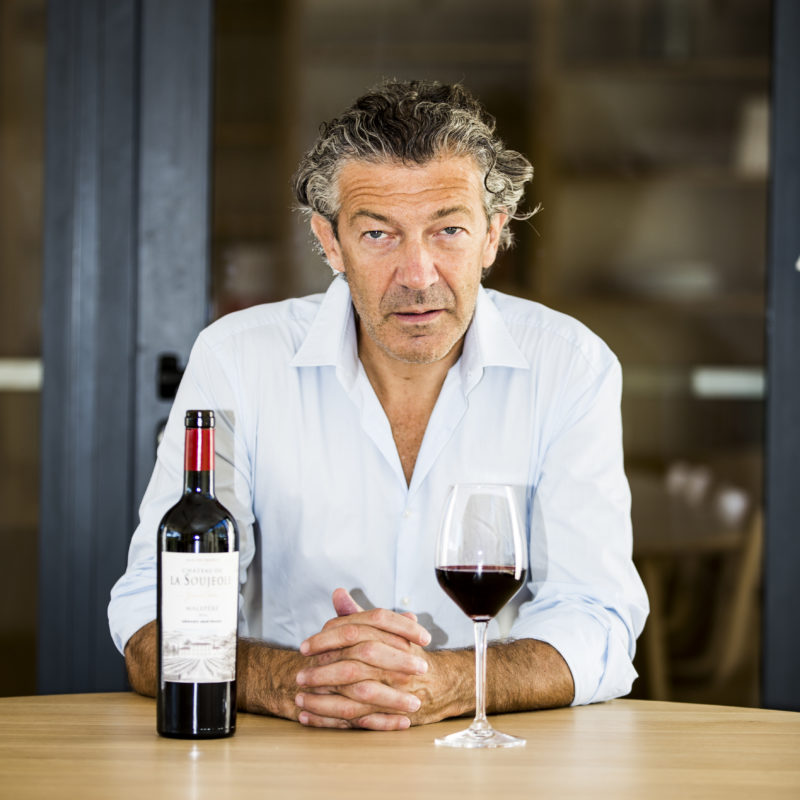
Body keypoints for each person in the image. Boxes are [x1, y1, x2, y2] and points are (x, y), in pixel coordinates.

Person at [108, 79, 648, 730]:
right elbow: (149, 617)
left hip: (490, 758)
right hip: (277, 754)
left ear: (493, 235)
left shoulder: (571, 367)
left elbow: (599, 620)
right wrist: (295, 681)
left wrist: (448, 683)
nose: (417, 275)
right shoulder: (236, 361)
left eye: (448, 230)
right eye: (378, 235)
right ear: (330, 242)